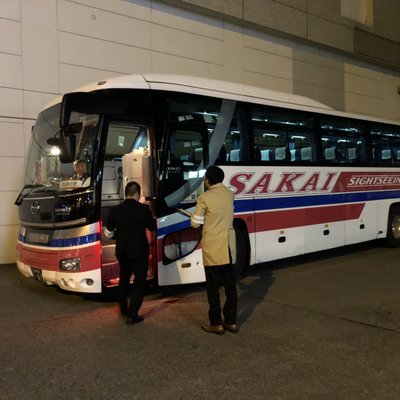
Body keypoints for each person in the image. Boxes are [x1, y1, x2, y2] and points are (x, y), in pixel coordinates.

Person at [191, 166, 238, 335]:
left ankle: (216, 323)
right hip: (229, 248)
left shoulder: (204, 197)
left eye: (205, 178)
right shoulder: (229, 194)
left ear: (208, 180)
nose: (204, 181)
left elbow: (195, 223)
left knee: (213, 288)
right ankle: (231, 322)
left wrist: (194, 216)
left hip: (213, 249)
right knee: (230, 287)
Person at [104, 181, 156, 325]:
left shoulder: (115, 210)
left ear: (125, 193)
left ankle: (123, 309)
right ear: (138, 194)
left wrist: (117, 236)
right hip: (139, 251)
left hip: (123, 251)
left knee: (124, 279)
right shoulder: (143, 209)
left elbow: (108, 233)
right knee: (139, 282)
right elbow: (151, 228)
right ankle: (133, 315)